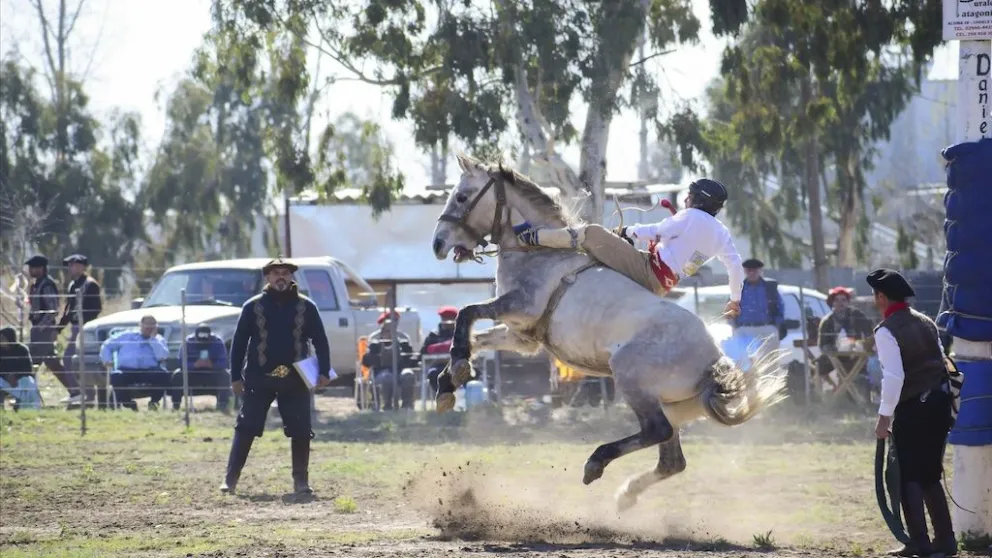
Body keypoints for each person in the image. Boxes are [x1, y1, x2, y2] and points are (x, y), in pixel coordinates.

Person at [517, 179, 743, 318]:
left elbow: (657, 230)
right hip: (662, 285)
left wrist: (625, 231)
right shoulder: (722, 233)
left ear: (699, 201)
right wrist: (734, 300)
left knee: (593, 233)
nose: (685, 199)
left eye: (690, 196)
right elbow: (735, 267)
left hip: (648, 271)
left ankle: (532, 237)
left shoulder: (691, 215)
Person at [222, 257, 331, 496]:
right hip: (259, 377)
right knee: (246, 426)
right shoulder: (252, 307)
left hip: (296, 378)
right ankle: (230, 480)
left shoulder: (307, 307)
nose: (280, 277)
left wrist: (324, 371)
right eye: (275, 273)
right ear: (267, 277)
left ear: (292, 276)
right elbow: (239, 343)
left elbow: (320, 340)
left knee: (301, 429)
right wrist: (235, 376)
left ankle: (301, 482)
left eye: (285, 272)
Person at [868, 268, 956, 557]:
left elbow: (894, 377)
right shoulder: (926, 322)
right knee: (930, 473)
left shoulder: (886, 330)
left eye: (874, 295)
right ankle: (945, 541)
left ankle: (918, 541)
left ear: (881, 296)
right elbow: (943, 361)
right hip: (940, 404)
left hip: (914, 408)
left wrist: (884, 418)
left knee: (908, 476)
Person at [55, 254, 102, 405]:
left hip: (85, 327)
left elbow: (96, 309)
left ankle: (80, 393)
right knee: (74, 360)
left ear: (82, 266)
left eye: (73, 265)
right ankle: (83, 394)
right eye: (69, 265)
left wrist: (84, 323)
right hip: (75, 327)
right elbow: (68, 310)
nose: (70, 268)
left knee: (72, 359)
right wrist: (58, 329)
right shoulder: (72, 285)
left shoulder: (90, 284)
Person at [99, 315, 171, 410]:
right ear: (140, 325)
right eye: (147, 326)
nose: (149, 329)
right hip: (127, 370)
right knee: (116, 376)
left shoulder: (159, 340)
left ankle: (154, 403)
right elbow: (107, 345)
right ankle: (129, 404)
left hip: (149, 370)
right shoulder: (126, 336)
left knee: (163, 375)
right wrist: (107, 360)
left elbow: (162, 357)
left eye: (152, 326)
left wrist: (152, 340)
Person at [816, 286, 875, 392]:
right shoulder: (827, 321)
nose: (840, 303)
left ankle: (854, 395)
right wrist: (833, 350)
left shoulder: (856, 315)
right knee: (820, 364)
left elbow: (870, 332)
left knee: (862, 369)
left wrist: (864, 344)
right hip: (834, 356)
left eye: (843, 300)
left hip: (855, 354)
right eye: (836, 300)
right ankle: (836, 391)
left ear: (848, 302)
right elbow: (822, 344)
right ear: (832, 302)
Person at [362, 310, 418, 410]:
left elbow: (411, 359)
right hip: (381, 371)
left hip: (400, 370)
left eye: (396, 321)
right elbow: (366, 362)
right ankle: (387, 405)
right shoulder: (375, 339)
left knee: (408, 374)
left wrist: (402, 351)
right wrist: (379, 348)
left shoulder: (403, 338)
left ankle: (407, 406)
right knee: (387, 377)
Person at [731, 259, 785, 361]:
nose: (752, 273)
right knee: (743, 365)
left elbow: (779, 307)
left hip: (766, 329)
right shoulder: (738, 288)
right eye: (749, 270)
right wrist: (735, 326)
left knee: (769, 364)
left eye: (754, 270)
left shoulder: (770, 287)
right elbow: (731, 308)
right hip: (744, 330)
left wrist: (776, 325)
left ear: (760, 271)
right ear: (745, 271)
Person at [170, 323, 231, 412]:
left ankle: (222, 405)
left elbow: (224, 362)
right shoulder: (188, 342)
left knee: (225, 375)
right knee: (177, 375)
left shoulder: (218, 342)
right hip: (192, 374)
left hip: (212, 374)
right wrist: (194, 365)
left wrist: (212, 365)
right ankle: (176, 405)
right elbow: (181, 361)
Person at [0, 327, 42, 410]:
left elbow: (28, 369)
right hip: (4, 379)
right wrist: (6, 376)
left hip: (20, 378)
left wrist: (15, 376)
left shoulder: (21, 349)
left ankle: (25, 408)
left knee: (29, 382)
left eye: (3, 338)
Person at [420, 306, 458, 394]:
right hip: (439, 366)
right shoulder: (434, 335)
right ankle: (442, 397)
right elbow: (423, 352)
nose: (447, 322)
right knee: (433, 374)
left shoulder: (461, 333)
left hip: (459, 365)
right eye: (444, 318)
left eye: (450, 318)